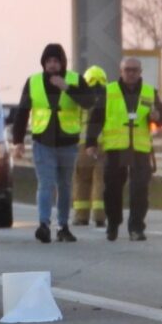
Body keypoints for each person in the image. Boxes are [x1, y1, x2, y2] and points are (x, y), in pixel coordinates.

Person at [12, 44, 96, 243]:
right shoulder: (33, 82)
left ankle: (63, 226)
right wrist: (18, 141)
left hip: (67, 142)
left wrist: (66, 88)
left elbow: (89, 101)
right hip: (43, 141)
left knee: (65, 185)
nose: (52, 65)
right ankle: (43, 225)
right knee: (46, 184)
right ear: (43, 63)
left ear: (62, 63)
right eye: (48, 61)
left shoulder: (75, 80)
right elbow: (22, 112)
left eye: (56, 61)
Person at [84, 57, 162, 241]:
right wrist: (90, 143)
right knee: (112, 189)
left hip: (140, 149)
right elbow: (96, 119)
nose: (131, 73)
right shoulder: (109, 91)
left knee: (140, 189)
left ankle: (136, 227)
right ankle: (113, 224)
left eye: (134, 70)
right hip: (116, 148)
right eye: (127, 70)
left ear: (140, 72)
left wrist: (158, 116)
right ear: (121, 71)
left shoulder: (149, 92)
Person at [72, 65, 108, 227]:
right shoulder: (109, 98)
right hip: (106, 146)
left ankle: (81, 216)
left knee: (82, 180)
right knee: (101, 180)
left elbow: (74, 122)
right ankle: (100, 216)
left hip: (83, 145)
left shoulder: (82, 100)